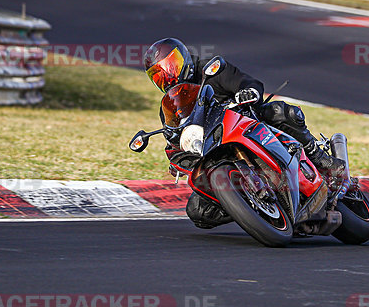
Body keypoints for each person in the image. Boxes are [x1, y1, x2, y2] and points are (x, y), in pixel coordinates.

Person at [143, 37, 346, 229]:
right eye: (160, 76)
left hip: (246, 122)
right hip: (216, 149)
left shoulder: (211, 69)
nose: (169, 77)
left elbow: (247, 82)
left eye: (171, 67)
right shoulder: (170, 107)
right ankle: (250, 206)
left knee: (282, 113)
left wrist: (248, 92)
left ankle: (321, 159)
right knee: (197, 211)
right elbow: (176, 137)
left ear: (184, 57)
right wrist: (176, 155)